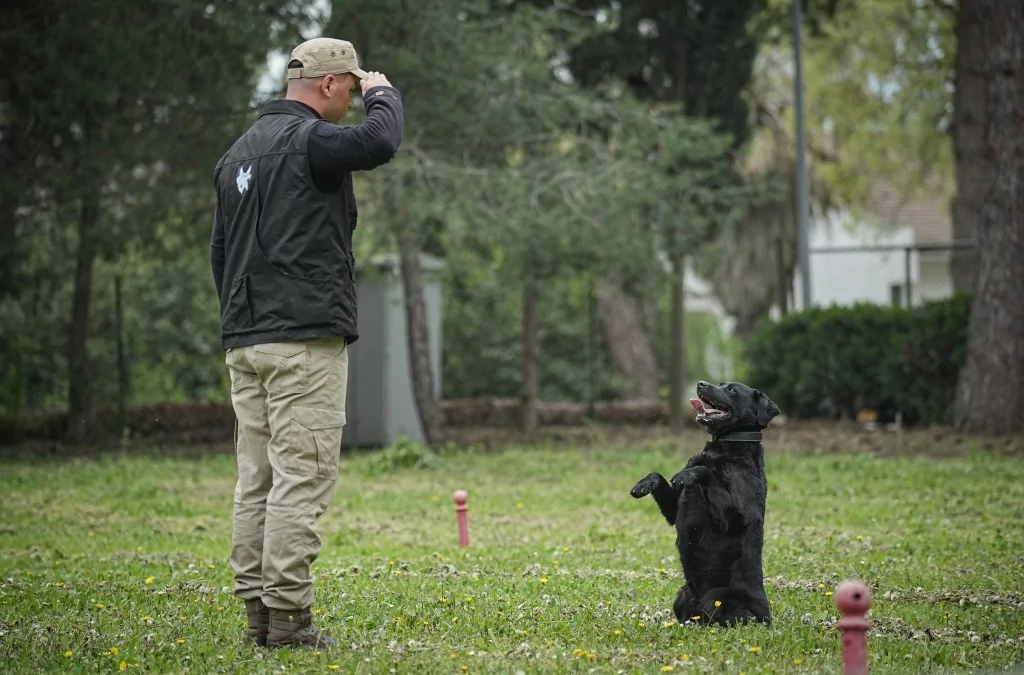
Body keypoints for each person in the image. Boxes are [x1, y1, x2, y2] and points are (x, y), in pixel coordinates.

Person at [209, 36, 403, 650]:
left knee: (257, 480)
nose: (352, 99)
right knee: (301, 476)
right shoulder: (312, 141)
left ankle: (257, 619)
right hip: (303, 342)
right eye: (349, 88)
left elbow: (219, 253)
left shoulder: (235, 154)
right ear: (328, 85)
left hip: (247, 340)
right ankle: (289, 619)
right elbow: (380, 142)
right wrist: (385, 94)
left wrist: (244, 318)